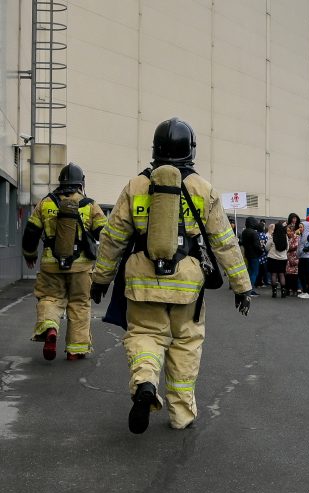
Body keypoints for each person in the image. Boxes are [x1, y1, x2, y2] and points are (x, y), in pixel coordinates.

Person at [91, 118, 252, 433]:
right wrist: (241, 287)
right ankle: (181, 415)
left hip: (141, 281)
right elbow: (224, 242)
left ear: (156, 148)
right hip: (187, 285)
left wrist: (100, 280)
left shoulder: (136, 185)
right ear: (190, 150)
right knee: (185, 344)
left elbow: (112, 238)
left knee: (144, 336)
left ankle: (145, 383)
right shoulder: (202, 189)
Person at [21, 163, 107, 361]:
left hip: (51, 265)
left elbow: (31, 232)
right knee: (79, 304)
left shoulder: (46, 203)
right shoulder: (90, 204)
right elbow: (105, 234)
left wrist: (30, 254)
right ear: (80, 183)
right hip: (81, 267)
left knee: (49, 298)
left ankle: (51, 327)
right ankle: (76, 350)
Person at [240, 217, 263, 296]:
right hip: (254, 255)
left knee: (250, 272)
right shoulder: (254, 233)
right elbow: (257, 245)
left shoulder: (244, 232)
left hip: (247, 254)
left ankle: (247, 289)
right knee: (254, 273)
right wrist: (261, 252)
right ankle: (250, 290)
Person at [266, 221, 288, 298]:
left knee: (274, 274)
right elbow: (287, 248)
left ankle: (274, 291)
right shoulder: (285, 237)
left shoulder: (272, 237)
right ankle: (283, 291)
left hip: (273, 258)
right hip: (283, 258)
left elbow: (267, 247)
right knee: (282, 274)